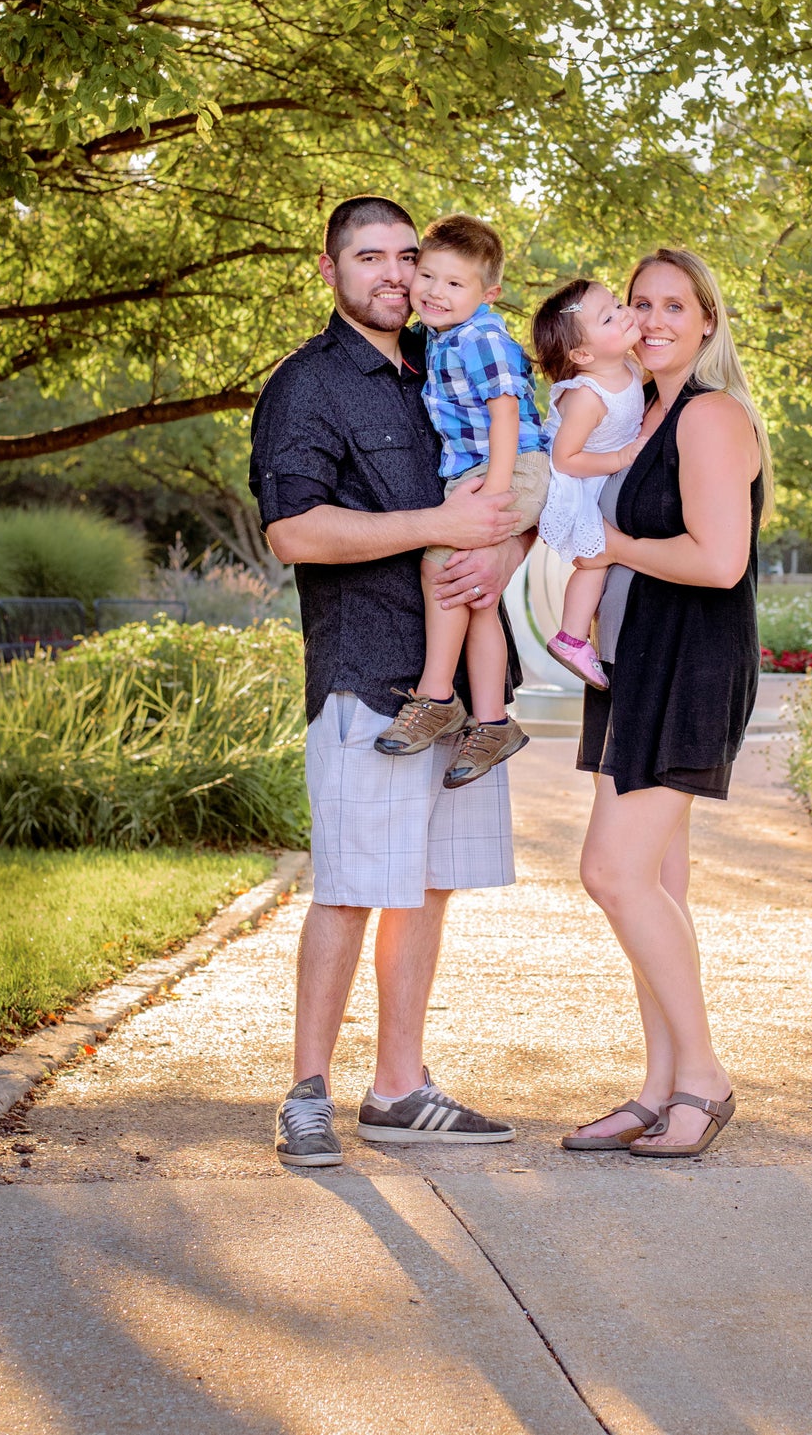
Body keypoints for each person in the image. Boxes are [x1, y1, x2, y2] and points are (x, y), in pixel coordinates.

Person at [249, 195, 531, 1168]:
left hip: (454, 696)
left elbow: (512, 483)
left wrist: (503, 553)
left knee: (427, 887)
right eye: (368, 257)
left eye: (407, 256)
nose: (394, 275)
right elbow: (293, 532)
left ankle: (399, 1086)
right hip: (367, 679)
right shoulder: (307, 385)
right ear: (328, 270)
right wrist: (435, 529)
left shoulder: (447, 363)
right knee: (350, 889)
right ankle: (305, 1092)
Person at [561, 247, 773, 1160]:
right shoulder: (641, 416)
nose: (651, 320)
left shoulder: (711, 416)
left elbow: (719, 560)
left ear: (708, 321)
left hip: (688, 660)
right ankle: (657, 1088)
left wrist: (607, 540)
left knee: (611, 872)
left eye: (673, 306)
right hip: (634, 657)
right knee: (654, 885)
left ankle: (704, 1077)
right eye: (637, 304)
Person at [377, 214, 548, 786]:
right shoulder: (442, 334)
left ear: (488, 294)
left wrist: (494, 500)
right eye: (426, 276)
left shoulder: (482, 338)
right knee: (475, 594)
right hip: (480, 473)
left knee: (441, 566)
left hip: (510, 470)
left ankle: (435, 695)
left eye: (455, 284)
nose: (434, 292)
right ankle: (493, 720)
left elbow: (506, 417)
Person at [531, 278, 645, 689]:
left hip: (604, 474)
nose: (625, 313)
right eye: (610, 316)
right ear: (582, 354)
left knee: (608, 557)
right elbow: (565, 458)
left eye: (617, 304)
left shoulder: (630, 364)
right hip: (579, 479)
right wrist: (619, 458)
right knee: (594, 561)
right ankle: (570, 638)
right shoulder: (587, 396)